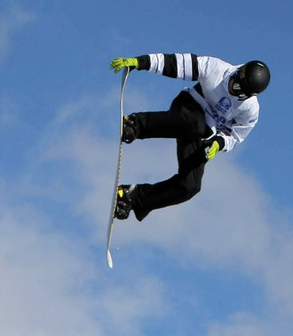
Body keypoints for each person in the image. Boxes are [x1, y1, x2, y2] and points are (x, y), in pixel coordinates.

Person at [108, 53, 269, 221]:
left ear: (248, 95)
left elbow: (235, 136)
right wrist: (141, 62)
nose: (232, 86)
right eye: (234, 80)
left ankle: (134, 197)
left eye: (237, 90)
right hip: (188, 107)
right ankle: (135, 124)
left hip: (203, 133)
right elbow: (176, 63)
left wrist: (218, 143)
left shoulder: (250, 110)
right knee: (194, 125)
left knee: (190, 186)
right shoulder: (217, 69)